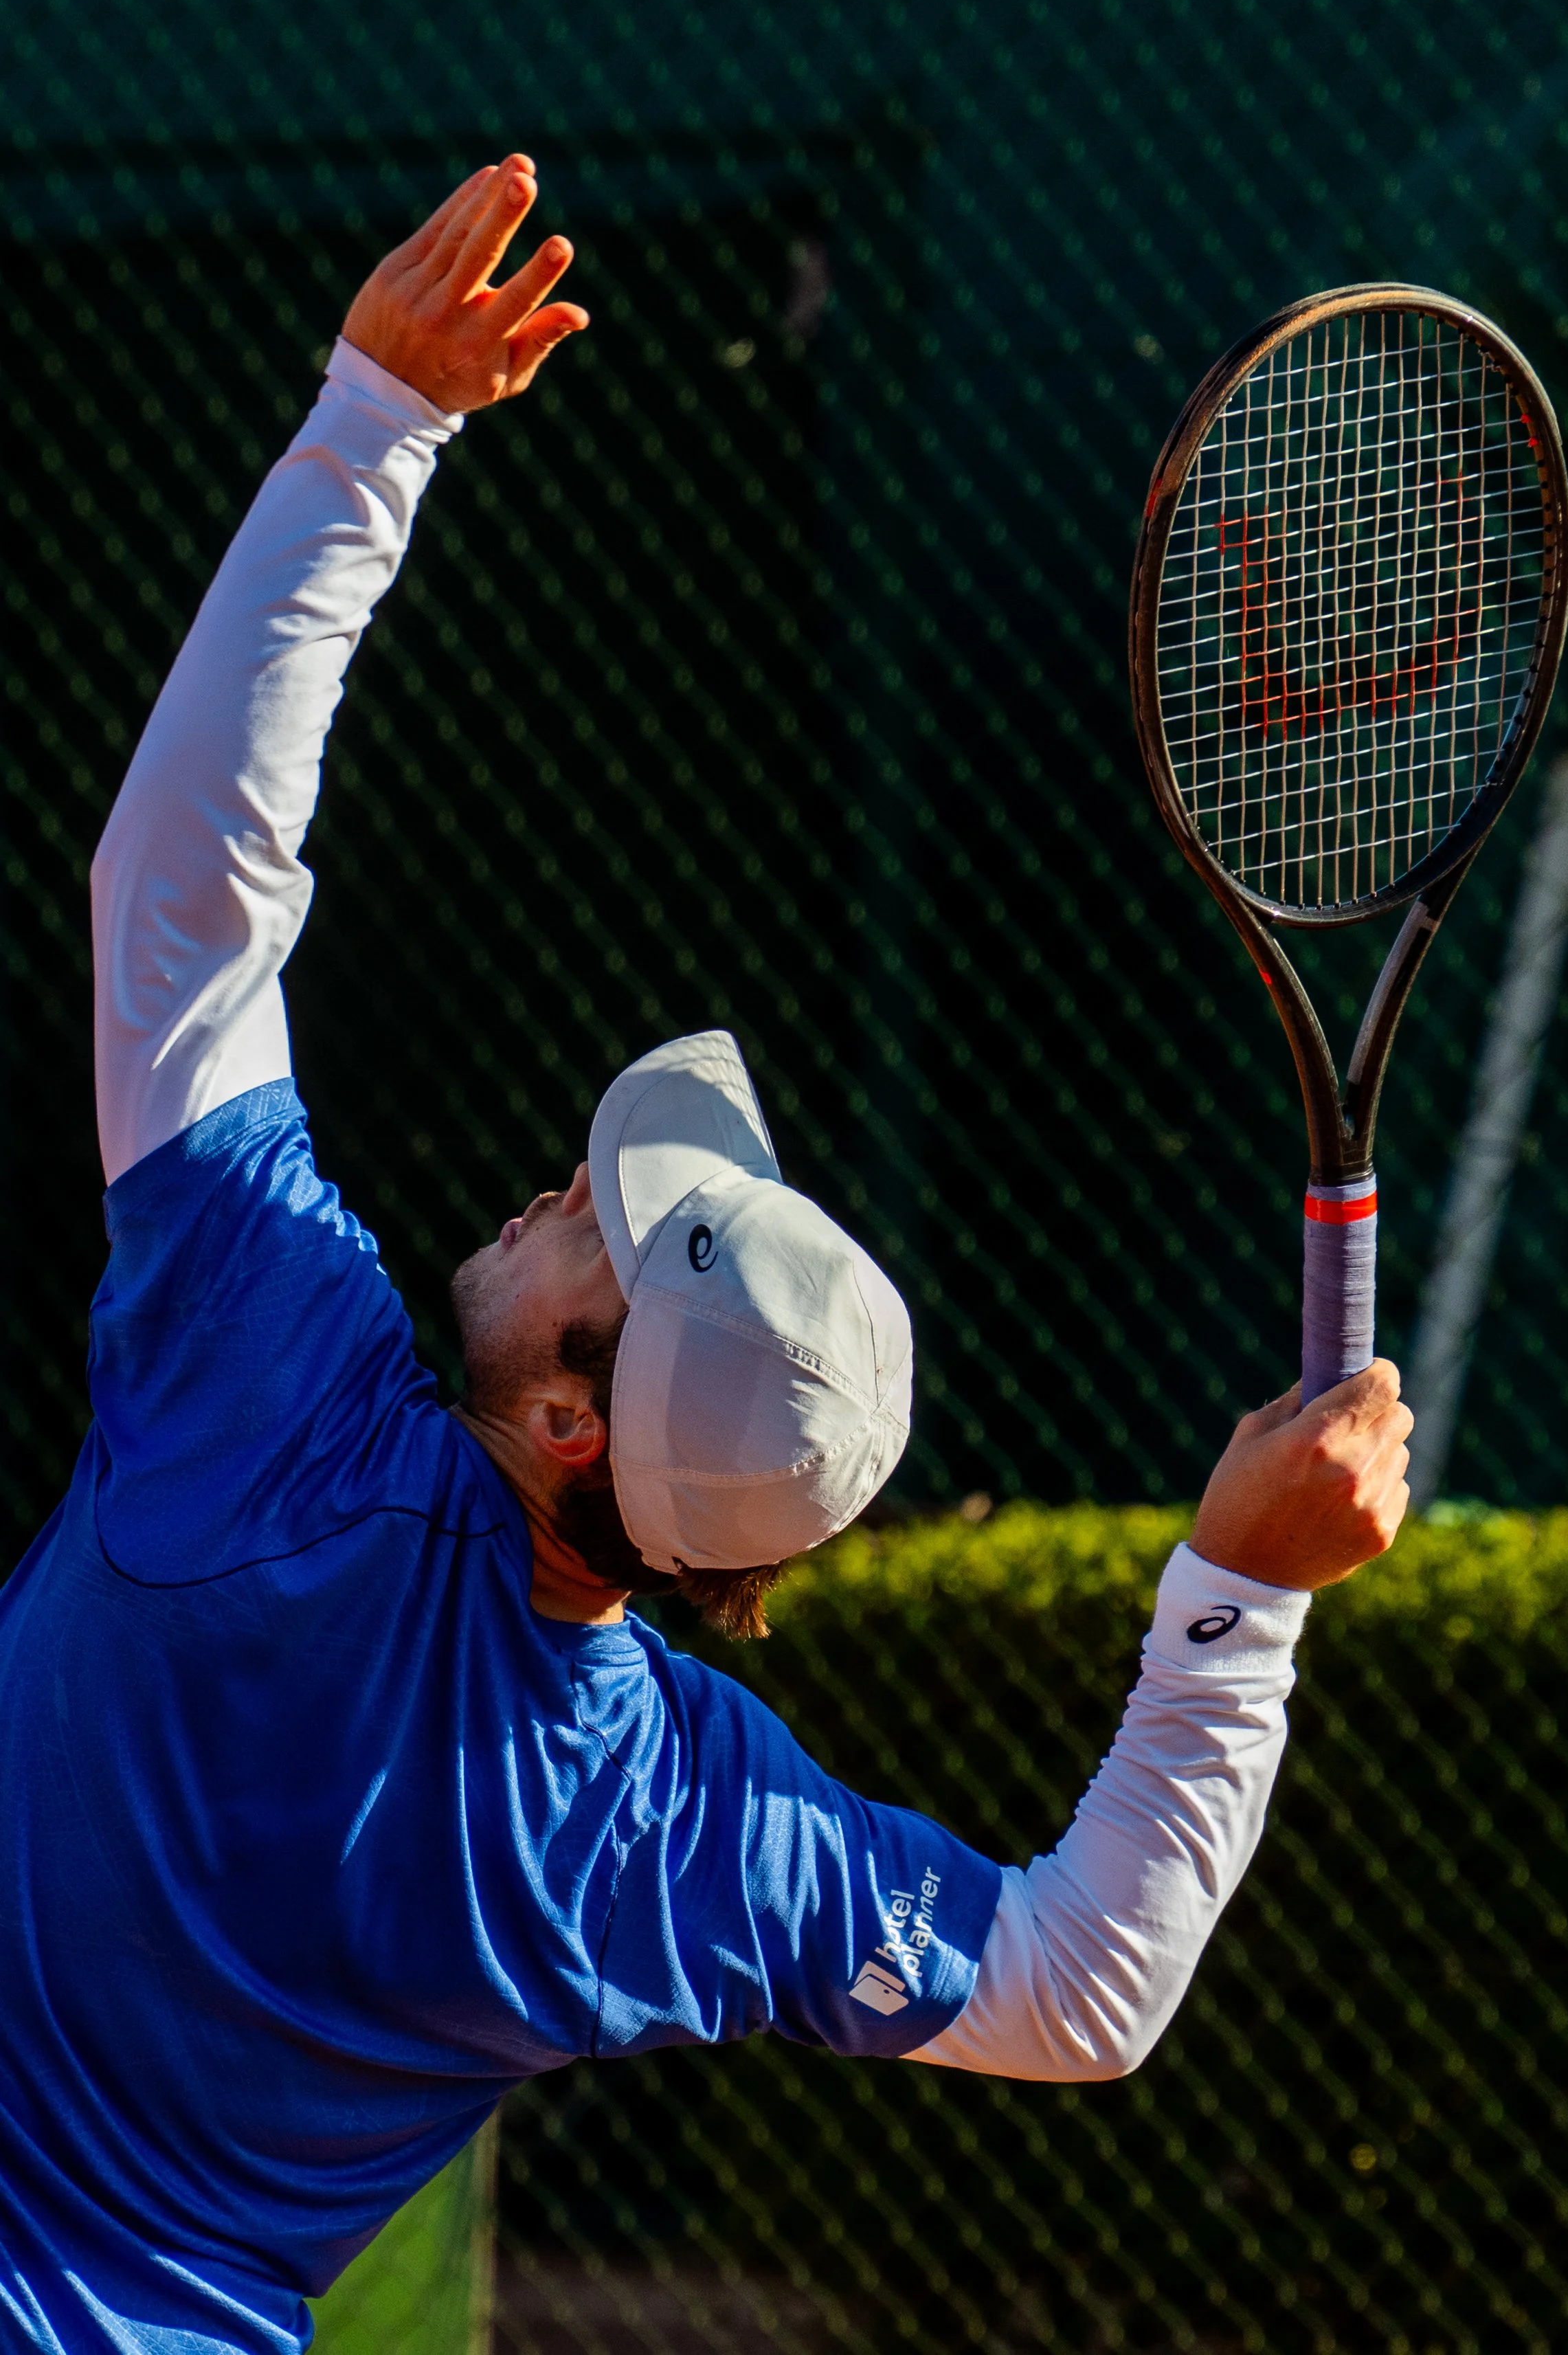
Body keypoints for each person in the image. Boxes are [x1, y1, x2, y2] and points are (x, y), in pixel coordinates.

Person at [0, 157, 1413, 2355]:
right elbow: (1078, 1987)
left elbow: (184, 891)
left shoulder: (275, 1396)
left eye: (594, 1227)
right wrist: (1236, 1602)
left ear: (570, 1407)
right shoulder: (677, 1821)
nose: (553, 1191)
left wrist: (374, 425)